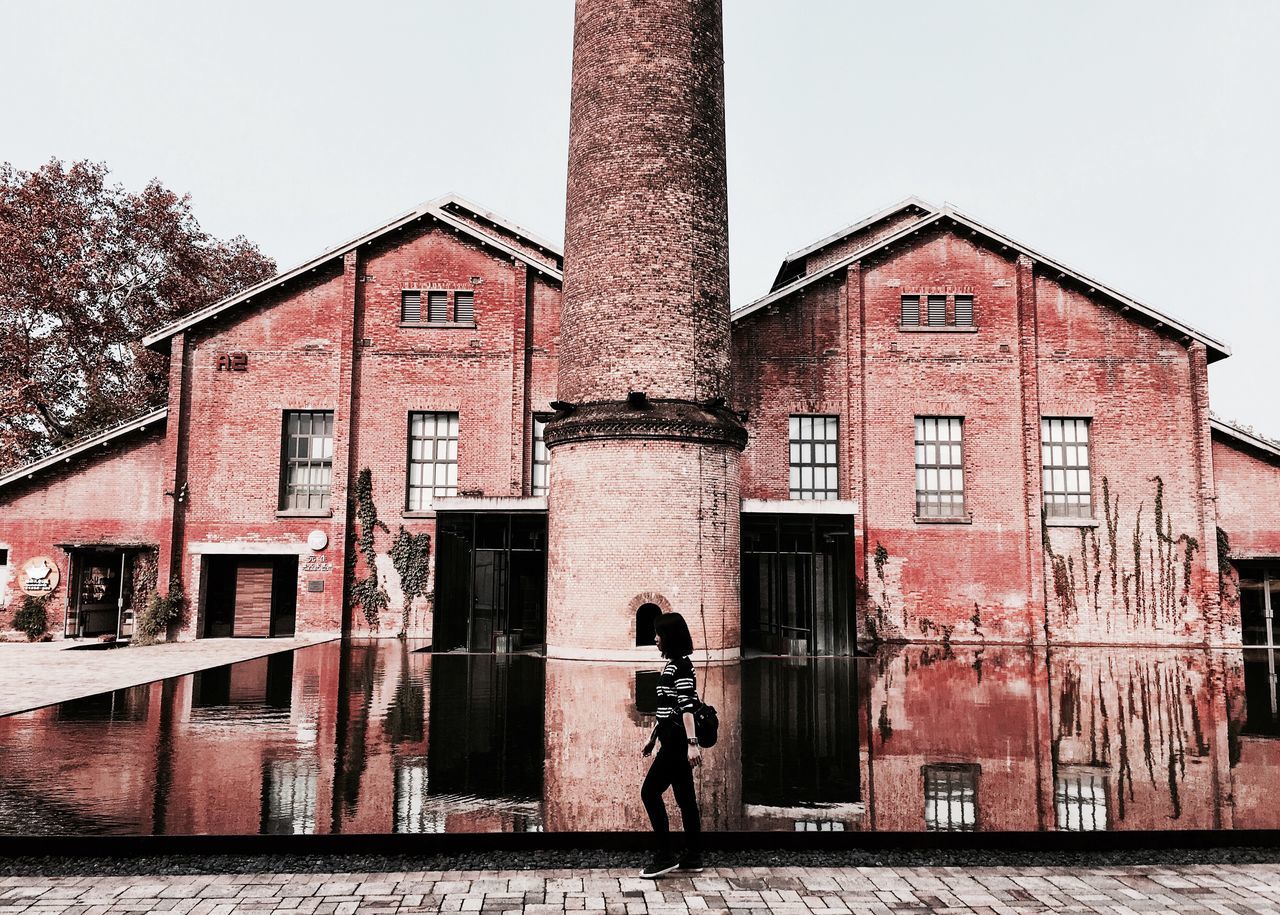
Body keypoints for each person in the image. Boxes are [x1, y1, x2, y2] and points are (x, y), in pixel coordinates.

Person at [639, 611, 704, 878]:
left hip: (677, 743)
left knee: (649, 793)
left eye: (659, 634)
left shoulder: (681, 667)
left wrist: (692, 743)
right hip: (670, 738)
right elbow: (668, 708)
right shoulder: (673, 665)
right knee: (686, 800)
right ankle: (693, 856)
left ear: (670, 637)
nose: (655, 639)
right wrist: (652, 737)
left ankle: (665, 855)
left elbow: (687, 706)